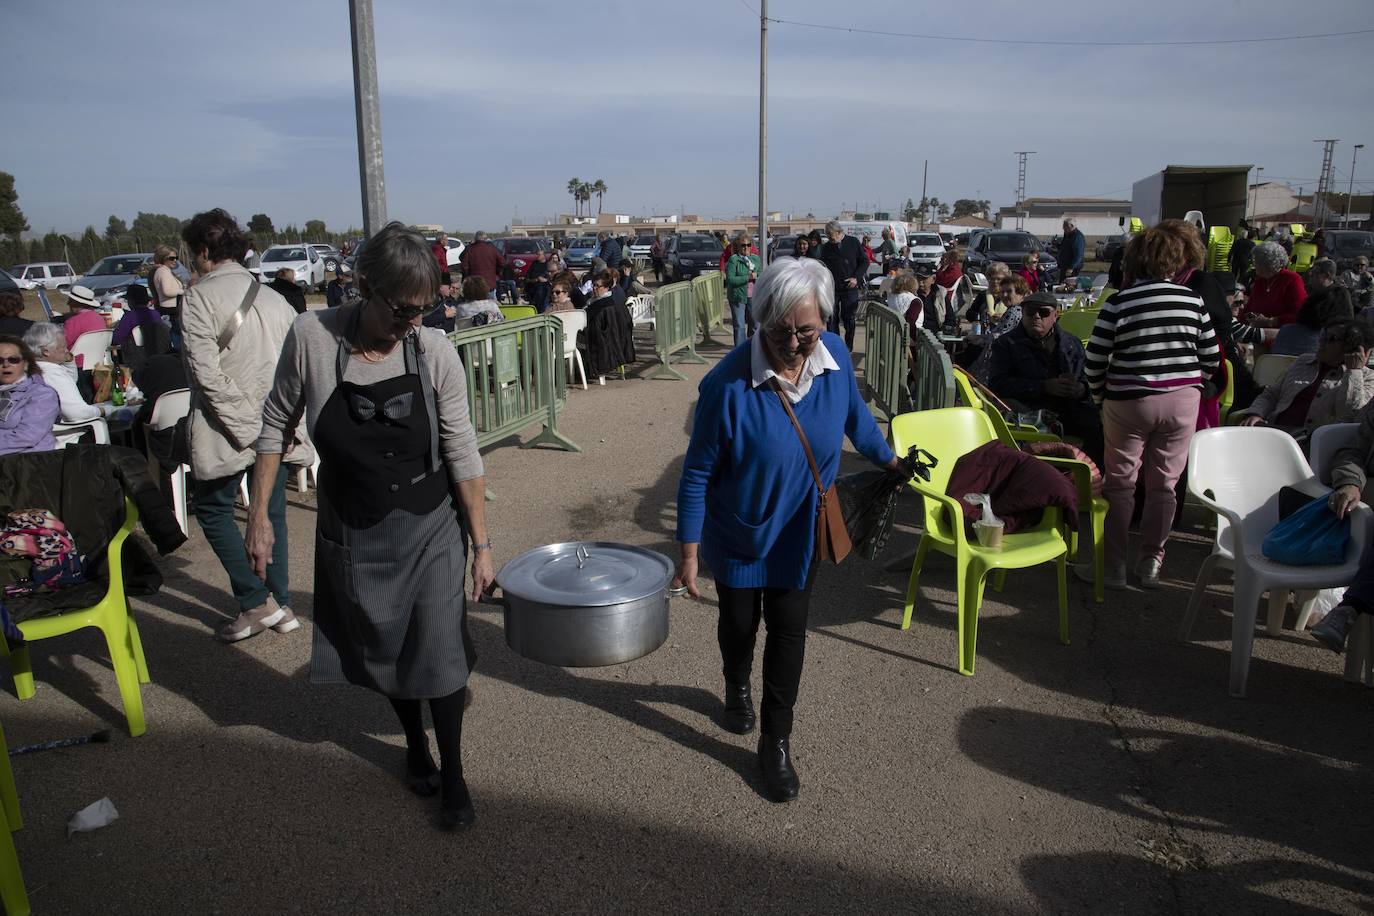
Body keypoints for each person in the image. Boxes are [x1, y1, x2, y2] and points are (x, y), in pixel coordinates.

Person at [249, 221, 493, 831]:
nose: (413, 322)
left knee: (437, 649)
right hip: (355, 525)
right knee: (386, 645)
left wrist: (482, 546)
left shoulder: (433, 351)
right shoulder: (311, 336)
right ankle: (415, 745)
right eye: (401, 310)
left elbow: (462, 449)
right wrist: (260, 516)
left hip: (431, 522)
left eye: (424, 309)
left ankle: (455, 774)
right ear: (362, 286)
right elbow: (275, 422)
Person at [673, 256, 898, 803]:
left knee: (790, 634)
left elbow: (856, 420)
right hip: (741, 534)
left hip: (801, 534)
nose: (794, 343)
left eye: (807, 330)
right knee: (738, 624)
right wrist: (689, 552)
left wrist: (890, 460)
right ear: (759, 319)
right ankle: (735, 682)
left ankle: (776, 743)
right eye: (781, 330)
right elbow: (697, 473)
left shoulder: (835, 357)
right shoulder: (726, 387)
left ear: (823, 322)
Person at [180, 208, 298, 642]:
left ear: (205, 252)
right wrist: (270, 428)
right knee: (272, 512)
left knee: (213, 510)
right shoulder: (275, 298)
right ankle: (279, 602)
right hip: (274, 423)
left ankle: (256, 600)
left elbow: (205, 373)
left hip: (227, 426)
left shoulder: (197, 298)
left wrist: (248, 427)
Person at [1083, 225, 1220, 590]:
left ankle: (1112, 566)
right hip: (1181, 401)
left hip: (1127, 399)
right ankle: (1151, 561)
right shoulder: (1193, 301)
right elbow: (1210, 359)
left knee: (1121, 485)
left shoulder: (1119, 301)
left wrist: (1100, 397)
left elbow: (1095, 358)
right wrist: (1188, 381)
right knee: (1165, 486)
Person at [986, 291, 1104, 464]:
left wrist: (1081, 389)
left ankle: (1092, 479)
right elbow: (997, 386)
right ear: (1022, 314)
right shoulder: (1006, 344)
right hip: (1030, 413)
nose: (1036, 317)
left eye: (1043, 312)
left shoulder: (1072, 343)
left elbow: (1088, 379)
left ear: (1055, 315)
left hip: (1070, 409)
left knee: (1101, 428)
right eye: (1030, 312)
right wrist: (1044, 386)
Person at [1233, 319, 1374, 439]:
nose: (1321, 341)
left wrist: (1354, 371)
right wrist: (1256, 413)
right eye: (1323, 335)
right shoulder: (1304, 361)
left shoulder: (1367, 378)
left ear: (1350, 348)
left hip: (1313, 442)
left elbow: (1351, 415)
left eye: (1331, 339)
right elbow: (1272, 394)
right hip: (1275, 431)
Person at [24, 322, 128, 426]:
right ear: (46, 351)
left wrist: (69, 361)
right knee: (127, 415)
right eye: (63, 346)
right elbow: (78, 413)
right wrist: (105, 410)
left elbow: (70, 381)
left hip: (42, 431)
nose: (66, 350)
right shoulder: (51, 372)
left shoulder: (28, 369)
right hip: (67, 435)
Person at [0, 335, 58, 455]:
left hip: (26, 463)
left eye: (13, 360)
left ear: (25, 364)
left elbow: (26, 436)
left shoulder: (42, 395)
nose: (6, 364)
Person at [818, 220, 867, 348]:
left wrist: (856, 278)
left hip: (849, 288)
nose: (829, 238)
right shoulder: (827, 247)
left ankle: (848, 345)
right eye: (827, 235)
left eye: (831, 235)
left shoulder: (853, 242)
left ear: (839, 232)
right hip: (832, 289)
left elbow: (864, 262)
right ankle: (836, 346)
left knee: (848, 318)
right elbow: (822, 266)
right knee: (832, 319)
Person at [1241, 240, 1306, 330]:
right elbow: (1250, 307)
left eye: (1256, 262)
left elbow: (1299, 313)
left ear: (1268, 264)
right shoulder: (1261, 279)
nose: (1253, 265)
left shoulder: (1292, 279)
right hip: (1259, 331)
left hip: (1282, 333)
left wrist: (1270, 321)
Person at [724, 238, 760, 345]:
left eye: (748, 245)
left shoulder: (755, 259)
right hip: (737, 296)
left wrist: (757, 276)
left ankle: (753, 347)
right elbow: (730, 279)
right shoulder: (733, 260)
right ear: (737, 247)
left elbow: (761, 274)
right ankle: (739, 351)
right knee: (739, 326)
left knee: (755, 325)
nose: (746, 248)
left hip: (753, 296)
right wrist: (748, 277)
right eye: (743, 245)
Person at [61, 286, 106, 356]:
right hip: (97, 359)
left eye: (70, 301)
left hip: (75, 362)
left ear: (76, 303)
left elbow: (62, 344)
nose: (68, 303)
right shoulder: (99, 318)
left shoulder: (72, 322)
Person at [149, 245, 185, 321]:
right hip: (170, 310)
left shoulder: (165, 271)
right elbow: (167, 292)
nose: (175, 260)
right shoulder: (163, 271)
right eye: (171, 258)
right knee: (175, 331)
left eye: (176, 258)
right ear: (163, 258)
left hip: (171, 308)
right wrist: (183, 291)